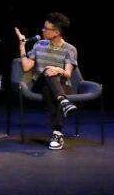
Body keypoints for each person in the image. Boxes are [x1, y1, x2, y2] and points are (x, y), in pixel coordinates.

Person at [14, 12, 78, 150]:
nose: (42, 30)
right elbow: (26, 67)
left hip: (61, 85)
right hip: (40, 82)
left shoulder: (70, 49)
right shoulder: (39, 45)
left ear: (56, 32)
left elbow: (67, 73)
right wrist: (22, 45)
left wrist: (57, 69)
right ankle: (64, 102)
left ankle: (57, 133)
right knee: (47, 72)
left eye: (46, 28)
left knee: (49, 89)